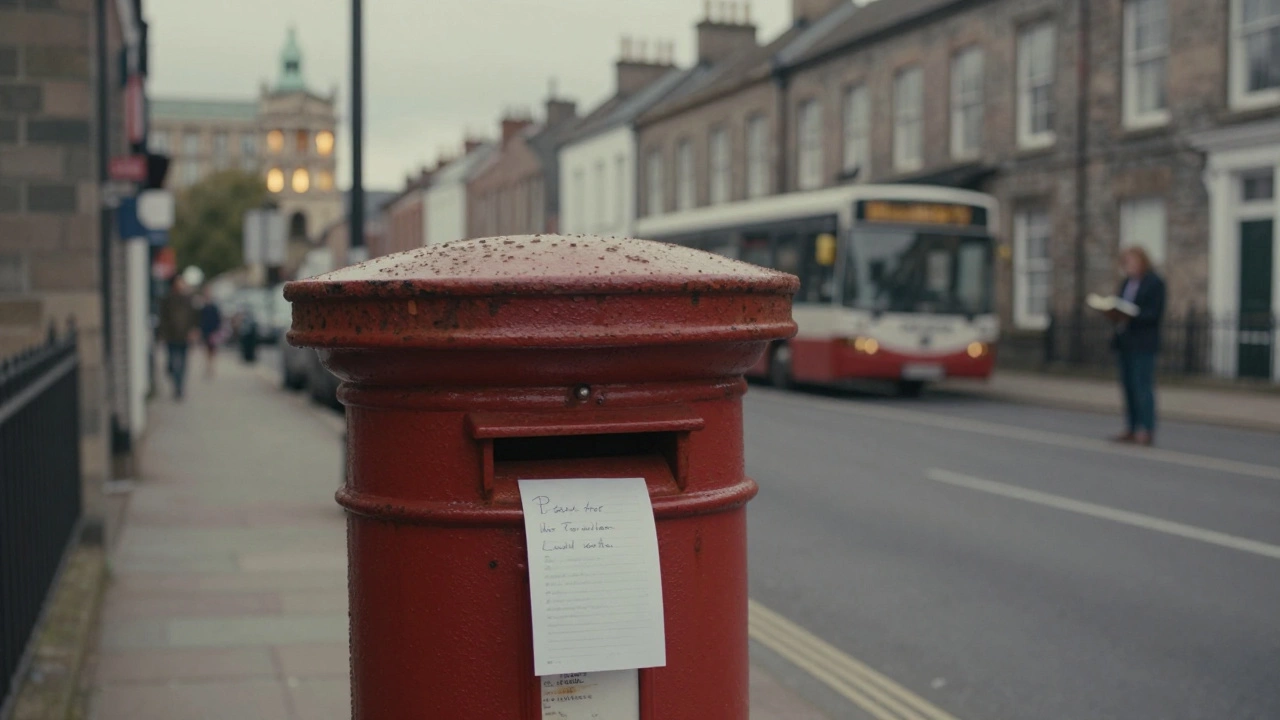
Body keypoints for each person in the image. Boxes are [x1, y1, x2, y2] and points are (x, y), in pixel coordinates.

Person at [1110, 246, 1166, 446]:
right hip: (1126, 341)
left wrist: (1132, 315)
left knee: (1142, 386)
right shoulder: (1126, 283)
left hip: (1143, 342)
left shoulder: (1155, 283)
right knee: (1128, 387)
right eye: (1126, 262)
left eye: (1132, 261)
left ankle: (1146, 429)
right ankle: (1131, 427)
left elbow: (1154, 314)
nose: (1129, 266)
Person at [158, 274, 199, 400]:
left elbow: (194, 316)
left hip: (184, 337)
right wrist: (162, 335)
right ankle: (175, 382)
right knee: (172, 363)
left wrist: (194, 331)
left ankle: (179, 388)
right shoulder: (167, 299)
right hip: (171, 336)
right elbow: (163, 318)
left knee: (182, 364)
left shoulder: (188, 299)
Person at [198, 288, 223, 379]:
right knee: (207, 350)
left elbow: (218, 320)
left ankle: (211, 366)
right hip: (206, 331)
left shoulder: (214, 307)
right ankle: (208, 366)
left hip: (213, 332)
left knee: (212, 350)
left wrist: (216, 330)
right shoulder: (203, 307)